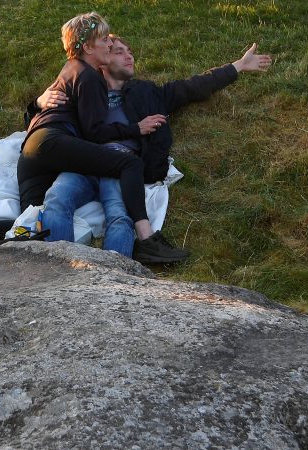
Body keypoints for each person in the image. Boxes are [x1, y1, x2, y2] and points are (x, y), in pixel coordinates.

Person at [31, 35, 272, 263]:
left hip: (121, 166)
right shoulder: (84, 87)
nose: (129, 57)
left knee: (119, 216)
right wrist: (39, 101)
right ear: (102, 59)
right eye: (119, 52)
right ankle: (56, 268)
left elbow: (192, 87)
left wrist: (237, 66)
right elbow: (49, 116)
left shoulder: (146, 92)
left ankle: (110, 283)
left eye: (130, 52)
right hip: (84, 159)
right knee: (57, 198)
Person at [15, 12, 186, 262]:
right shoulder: (89, 76)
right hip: (55, 143)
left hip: (37, 150)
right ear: (87, 47)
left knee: (38, 211)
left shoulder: (72, 69)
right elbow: (93, 131)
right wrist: (135, 129)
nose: (109, 44)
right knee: (129, 167)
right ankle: (140, 244)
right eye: (105, 40)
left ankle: (51, 263)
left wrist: (40, 102)